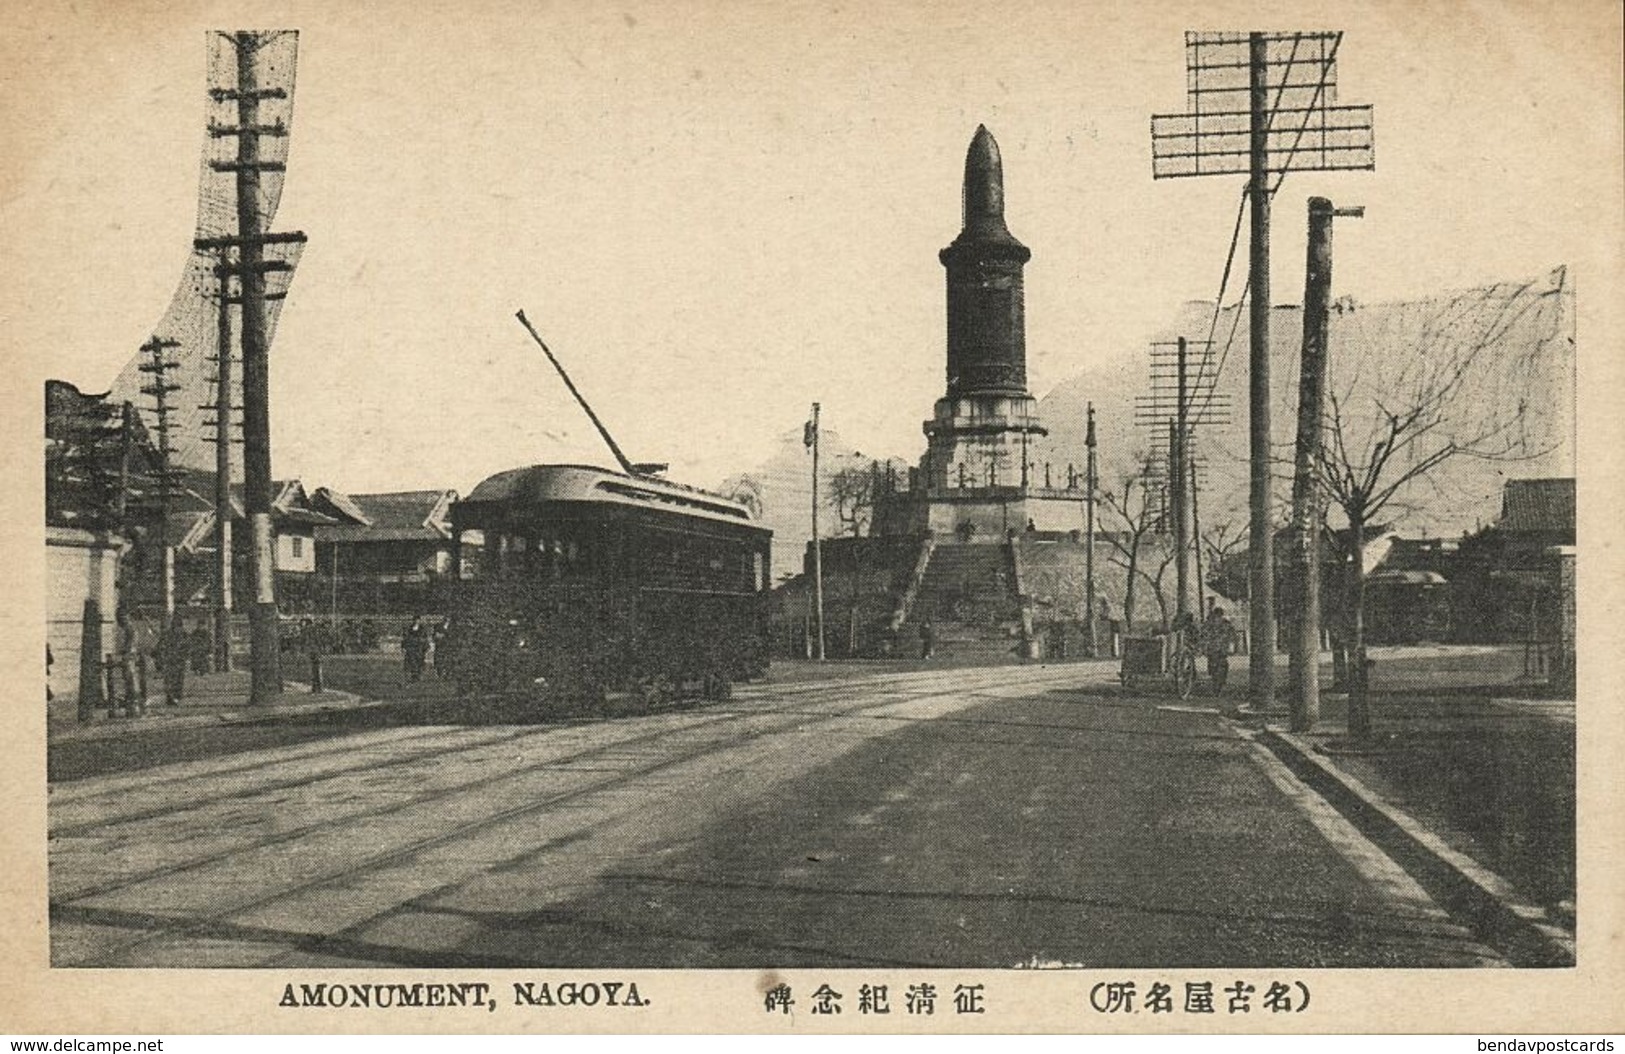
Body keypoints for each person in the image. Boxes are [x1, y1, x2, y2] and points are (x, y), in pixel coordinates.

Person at [155, 613, 189, 707]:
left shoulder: (181, 635)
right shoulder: (174, 634)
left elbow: (187, 647)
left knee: (177, 680)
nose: (178, 629)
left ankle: (175, 698)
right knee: (172, 680)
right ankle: (172, 698)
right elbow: (160, 647)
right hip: (172, 661)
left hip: (177, 661)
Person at [1202, 606, 1236, 696]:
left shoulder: (1210, 623)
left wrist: (1205, 647)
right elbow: (1233, 636)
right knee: (1219, 668)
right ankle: (1218, 687)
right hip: (1220, 649)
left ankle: (1217, 687)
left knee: (1216, 668)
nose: (1217, 617)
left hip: (1215, 649)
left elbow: (1204, 635)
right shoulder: (1225, 623)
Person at [402, 615, 429, 683]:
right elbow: (405, 638)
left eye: (418, 620)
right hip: (411, 648)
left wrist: (426, 647)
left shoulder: (422, 629)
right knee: (411, 662)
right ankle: (414, 676)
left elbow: (425, 639)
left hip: (419, 648)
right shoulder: (409, 629)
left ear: (419, 621)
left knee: (419, 662)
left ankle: (418, 676)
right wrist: (403, 647)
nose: (416, 621)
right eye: (415, 620)